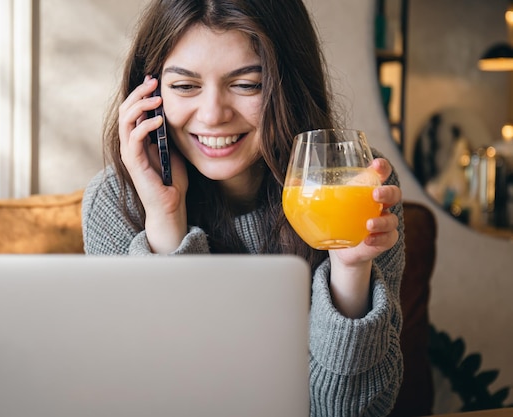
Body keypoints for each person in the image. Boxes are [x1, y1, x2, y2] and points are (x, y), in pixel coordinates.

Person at [82, 0, 405, 415]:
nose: (213, 115)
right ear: (150, 96)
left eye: (247, 84)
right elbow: (154, 396)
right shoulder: (117, 202)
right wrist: (165, 222)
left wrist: (350, 271)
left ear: (289, 86)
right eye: (184, 86)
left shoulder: (358, 185)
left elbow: (347, 412)